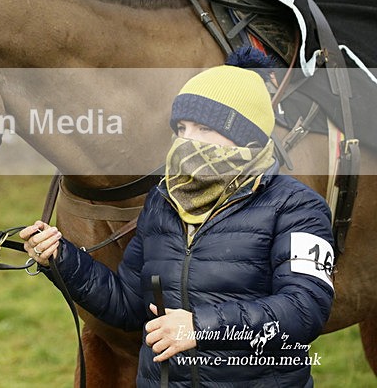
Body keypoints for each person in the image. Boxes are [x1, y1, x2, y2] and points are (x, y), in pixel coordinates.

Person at [21, 49, 335, 386]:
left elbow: (304, 309)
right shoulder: (163, 199)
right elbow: (128, 304)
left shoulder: (299, 207)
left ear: (247, 135)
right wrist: (61, 258)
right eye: (182, 128)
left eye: (203, 128)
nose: (187, 141)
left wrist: (199, 327)